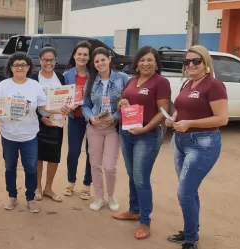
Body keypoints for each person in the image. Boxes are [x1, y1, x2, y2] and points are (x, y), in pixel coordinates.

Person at [165, 45, 228, 249]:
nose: (190, 64)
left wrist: (189, 124)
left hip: (203, 143)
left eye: (195, 61)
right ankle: (191, 230)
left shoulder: (214, 85)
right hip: (181, 142)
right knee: (190, 191)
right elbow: (181, 109)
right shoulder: (187, 84)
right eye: (187, 61)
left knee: (184, 192)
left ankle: (191, 240)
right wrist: (172, 118)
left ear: (205, 62)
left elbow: (222, 118)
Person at [0, 52, 70, 213]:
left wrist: (60, 109)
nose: (20, 67)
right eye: (16, 65)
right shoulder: (3, 86)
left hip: (29, 135)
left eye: (23, 65)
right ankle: (12, 196)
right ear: (11, 68)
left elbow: (43, 106)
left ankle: (30, 197)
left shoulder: (34, 85)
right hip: (9, 135)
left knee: (30, 168)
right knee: (10, 167)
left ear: (28, 67)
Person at [112, 46, 171, 240]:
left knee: (141, 178)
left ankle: (145, 221)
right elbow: (123, 101)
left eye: (150, 60)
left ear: (156, 63)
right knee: (132, 175)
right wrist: (120, 103)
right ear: (137, 63)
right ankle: (134, 210)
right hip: (127, 133)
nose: (145, 63)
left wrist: (145, 129)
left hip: (146, 135)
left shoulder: (161, 82)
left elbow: (163, 112)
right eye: (142, 60)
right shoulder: (132, 80)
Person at [82, 47, 130, 211]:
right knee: (95, 164)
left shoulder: (123, 78)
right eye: (96, 61)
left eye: (103, 60)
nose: (100, 63)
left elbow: (128, 102)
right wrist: (91, 117)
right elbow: (86, 105)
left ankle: (111, 195)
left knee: (110, 166)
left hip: (113, 128)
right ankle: (99, 197)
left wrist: (116, 117)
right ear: (93, 64)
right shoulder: (91, 81)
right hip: (94, 127)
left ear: (109, 59)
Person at [29, 47, 66, 203]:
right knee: (38, 157)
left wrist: (66, 108)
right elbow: (29, 102)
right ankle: (37, 187)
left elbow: (66, 99)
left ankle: (48, 188)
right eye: (45, 60)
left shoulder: (60, 78)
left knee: (53, 157)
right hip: (38, 123)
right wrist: (40, 118)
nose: (48, 63)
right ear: (40, 60)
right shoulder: (33, 79)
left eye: (51, 60)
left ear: (55, 61)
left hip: (57, 123)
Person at [63, 41, 93, 200]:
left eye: (85, 55)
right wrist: (65, 106)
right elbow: (61, 96)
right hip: (75, 119)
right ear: (74, 55)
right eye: (79, 54)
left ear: (89, 57)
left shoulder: (94, 75)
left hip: (91, 120)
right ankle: (70, 181)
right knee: (73, 152)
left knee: (91, 153)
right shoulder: (67, 75)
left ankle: (87, 185)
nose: (82, 57)